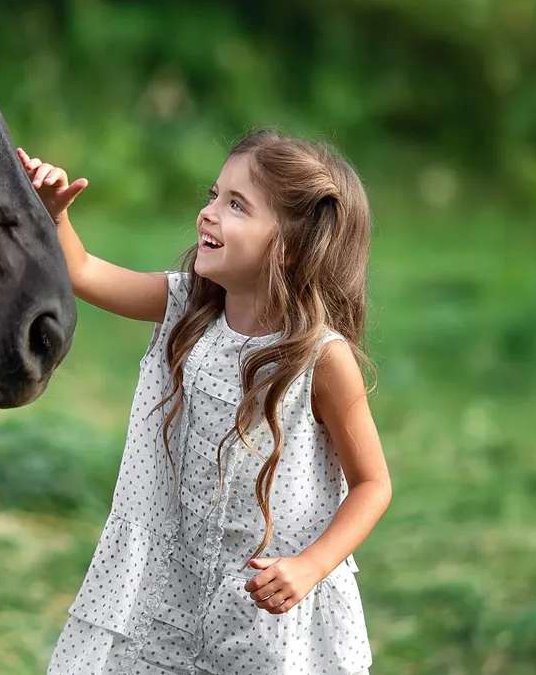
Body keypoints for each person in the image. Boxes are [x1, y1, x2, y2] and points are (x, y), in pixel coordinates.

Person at [21, 128, 391, 675]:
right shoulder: (187, 308)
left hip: (270, 604)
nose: (208, 213)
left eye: (236, 205)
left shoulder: (320, 360)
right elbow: (83, 272)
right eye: (213, 195)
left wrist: (310, 568)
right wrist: (54, 215)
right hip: (177, 585)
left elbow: (373, 485)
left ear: (289, 248)